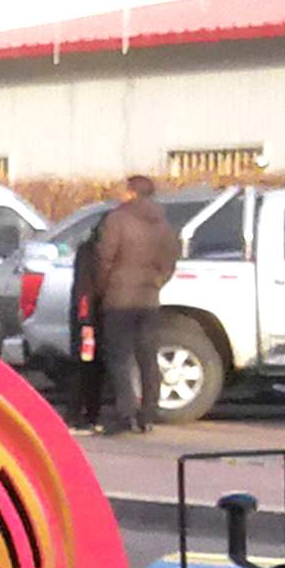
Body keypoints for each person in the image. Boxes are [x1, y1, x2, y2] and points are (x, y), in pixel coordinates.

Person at [88, 174, 184, 434]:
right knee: (147, 357)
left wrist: (101, 289)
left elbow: (103, 258)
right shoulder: (162, 223)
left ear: (131, 193)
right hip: (149, 298)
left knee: (119, 358)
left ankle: (127, 412)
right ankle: (149, 414)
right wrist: (157, 282)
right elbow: (170, 260)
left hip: (118, 299)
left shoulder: (117, 220)